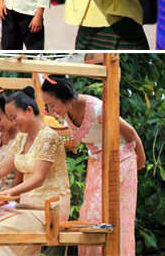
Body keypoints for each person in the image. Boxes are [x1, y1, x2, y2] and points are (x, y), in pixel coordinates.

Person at [42, 76, 145, 256]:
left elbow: (131, 134)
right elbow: (77, 135)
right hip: (96, 163)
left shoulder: (98, 109)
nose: (51, 110)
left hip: (120, 161)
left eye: (52, 105)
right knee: (89, 216)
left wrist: (140, 162)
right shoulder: (65, 112)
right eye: (47, 106)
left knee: (110, 217)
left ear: (66, 97)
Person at [0, 88, 70, 256]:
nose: (13, 123)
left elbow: (38, 178)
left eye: (14, 117)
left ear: (29, 110)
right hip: (27, 205)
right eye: (10, 119)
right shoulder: (22, 139)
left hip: (50, 208)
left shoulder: (48, 137)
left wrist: (10, 193)